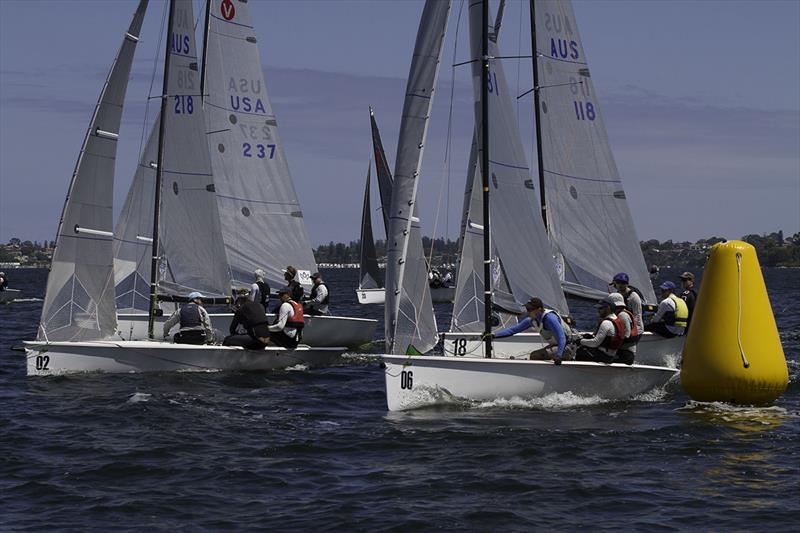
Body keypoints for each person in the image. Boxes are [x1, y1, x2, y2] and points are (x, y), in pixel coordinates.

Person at [488, 297, 575, 364]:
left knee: (535, 355)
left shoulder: (550, 319)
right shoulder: (532, 320)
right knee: (535, 355)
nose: (528, 312)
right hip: (557, 346)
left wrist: (558, 356)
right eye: (527, 309)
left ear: (539, 309)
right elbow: (513, 330)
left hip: (566, 347)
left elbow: (562, 337)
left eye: (530, 309)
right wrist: (493, 335)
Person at [576, 295, 625, 364]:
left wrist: (581, 341)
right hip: (611, 355)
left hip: (604, 356)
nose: (598, 311)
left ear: (608, 308)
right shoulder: (616, 319)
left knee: (580, 351)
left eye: (600, 308)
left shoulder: (606, 323)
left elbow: (595, 343)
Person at [608, 292, 639, 365]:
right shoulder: (620, 313)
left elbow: (626, 335)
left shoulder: (622, 315)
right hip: (622, 352)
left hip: (625, 354)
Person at [609, 272, 644, 337]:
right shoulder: (617, 295)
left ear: (627, 284)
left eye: (623, 283)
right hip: (624, 326)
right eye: (618, 282)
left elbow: (637, 315)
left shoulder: (634, 297)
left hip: (635, 330)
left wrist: (634, 332)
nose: (620, 285)